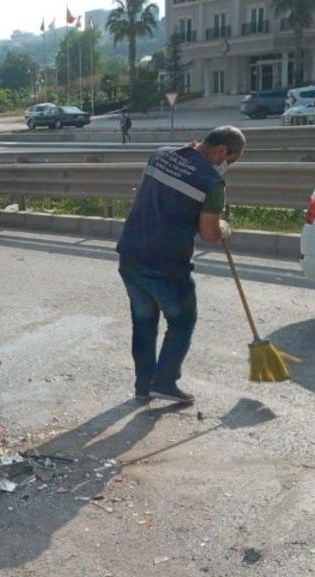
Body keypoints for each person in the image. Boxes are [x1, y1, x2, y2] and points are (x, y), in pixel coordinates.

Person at [115, 126, 244, 405]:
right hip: (166, 263)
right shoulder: (211, 181)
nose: (226, 166)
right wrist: (224, 227)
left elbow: (164, 194)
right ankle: (164, 382)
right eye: (229, 160)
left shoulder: (160, 155)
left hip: (131, 253)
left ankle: (143, 385)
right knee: (182, 320)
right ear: (222, 150)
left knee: (144, 321)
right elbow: (209, 233)